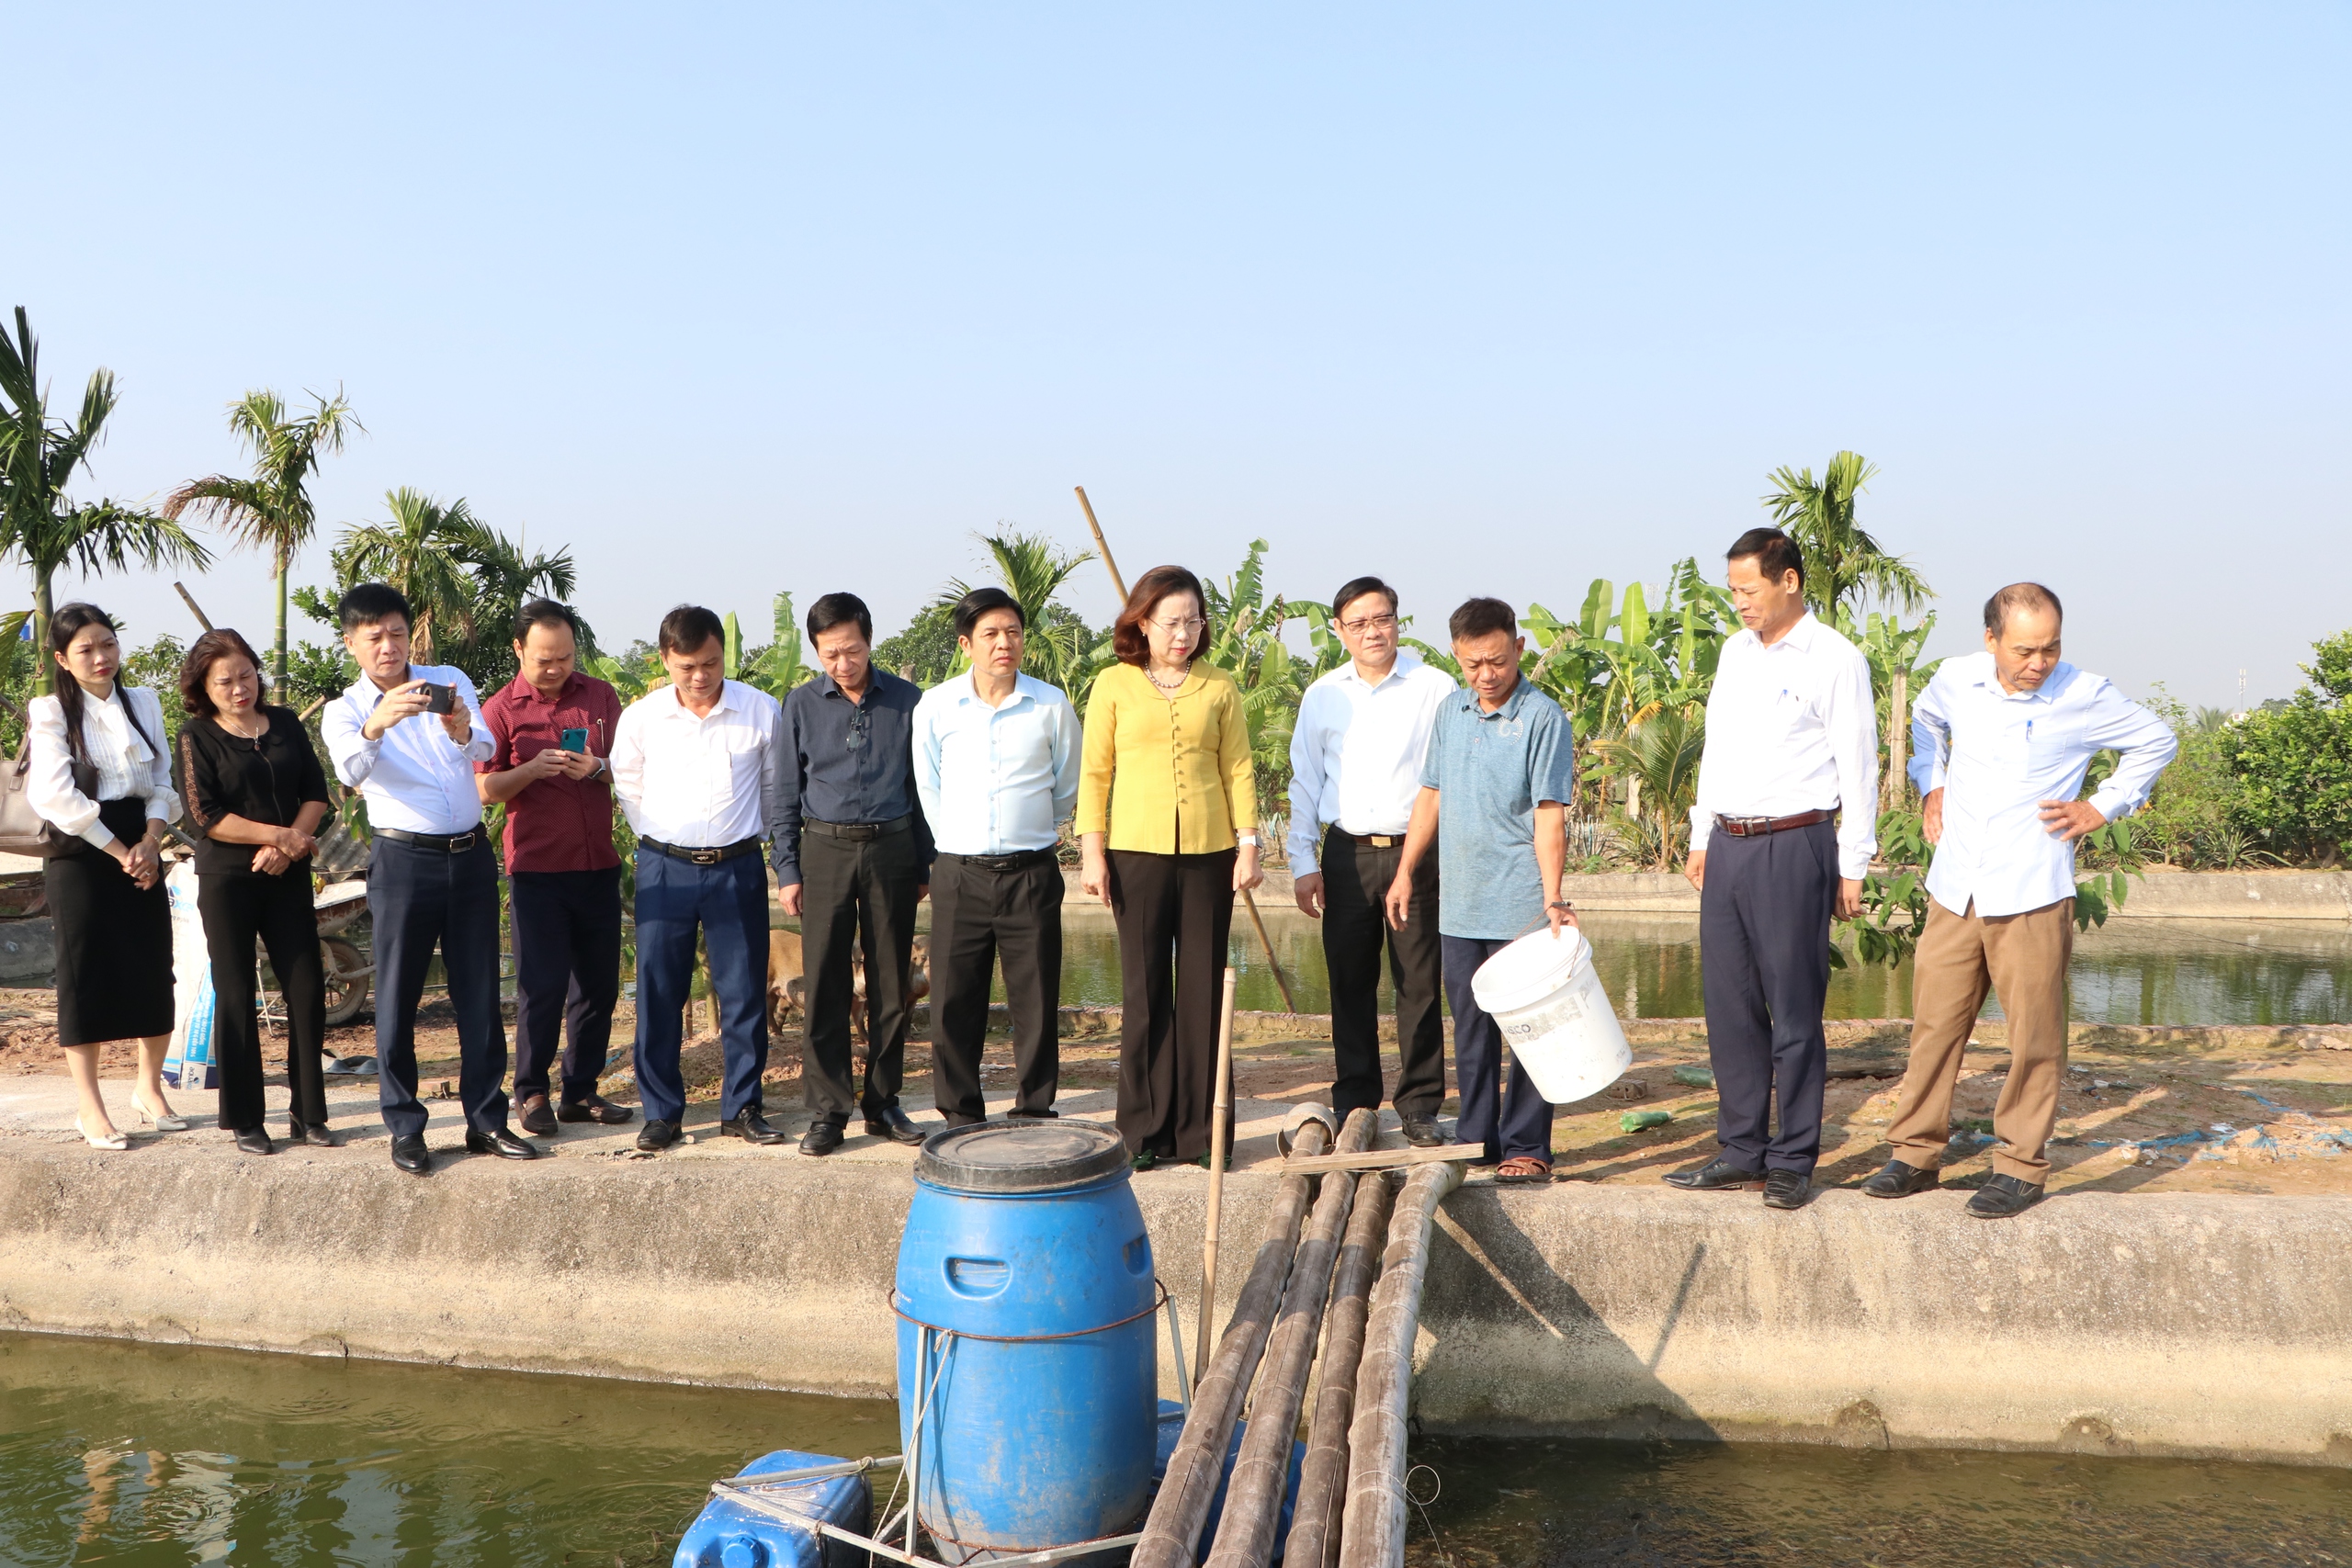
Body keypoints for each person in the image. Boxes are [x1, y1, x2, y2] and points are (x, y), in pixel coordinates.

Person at [1863, 583, 2177, 1218]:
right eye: (2026, 649)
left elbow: (2158, 740)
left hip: (2031, 890)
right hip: (1956, 887)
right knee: (1934, 1025)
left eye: (2051, 647)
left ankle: (2019, 1165)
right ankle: (1914, 1153)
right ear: (1990, 641)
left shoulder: (2084, 694)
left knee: (2034, 1037)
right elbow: (1924, 723)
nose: (2040, 662)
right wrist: (1934, 785)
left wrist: (2101, 805)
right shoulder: (1956, 680)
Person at [1670, 527, 1877, 1211]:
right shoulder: (1734, 653)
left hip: (1795, 845)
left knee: (1792, 1010)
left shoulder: (1835, 659)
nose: (1739, 603)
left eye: (1749, 589)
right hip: (1727, 844)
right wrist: (1702, 834)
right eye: (1733, 590)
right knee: (1728, 1005)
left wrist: (1854, 864)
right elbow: (1717, 749)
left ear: (1788, 581)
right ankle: (1739, 1149)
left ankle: (1793, 1155)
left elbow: (1859, 765)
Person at [322, 582, 534, 1176]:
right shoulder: (346, 710)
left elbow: (486, 747)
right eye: (373, 637)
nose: (388, 646)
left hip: (469, 857)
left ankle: (487, 1120)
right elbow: (349, 769)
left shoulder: (448, 677)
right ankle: (406, 1127)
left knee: (478, 994)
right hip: (404, 862)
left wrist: (460, 727)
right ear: (351, 643)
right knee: (396, 997)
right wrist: (377, 723)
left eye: (396, 632)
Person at [1385, 597, 1576, 1184]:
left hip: (1520, 904)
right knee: (1469, 1026)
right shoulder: (1451, 712)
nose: (1485, 676)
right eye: (1471, 665)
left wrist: (1553, 898)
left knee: (1528, 1030)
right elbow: (1431, 796)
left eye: (1495, 661)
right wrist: (1406, 869)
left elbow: (1550, 817)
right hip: (1459, 903)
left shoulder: (1544, 719)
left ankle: (1526, 1145)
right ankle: (1476, 1139)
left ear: (1518, 649)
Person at [1078, 564, 1261, 1169]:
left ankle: (1203, 1134)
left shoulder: (1220, 687)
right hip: (1136, 854)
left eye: (1193, 621)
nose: (1183, 633)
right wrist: (1092, 850)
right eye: (1171, 621)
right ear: (1143, 621)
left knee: (1206, 993)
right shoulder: (1112, 684)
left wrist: (1250, 842)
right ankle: (1143, 1132)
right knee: (1145, 991)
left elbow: (1238, 768)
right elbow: (1095, 772)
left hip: (1210, 856)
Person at [610, 604, 788, 1151]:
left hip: (737, 867)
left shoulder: (761, 711)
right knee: (660, 992)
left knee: (743, 993)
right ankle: (662, 1113)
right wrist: (662, 840)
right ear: (665, 660)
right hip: (664, 868)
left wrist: (755, 847)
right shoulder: (641, 718)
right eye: (687, 666)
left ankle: (742, 1107)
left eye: (711, 662)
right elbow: (628, 786)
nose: (700, 676)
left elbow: (774, 790)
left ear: (723, 655)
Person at [1288, 576, 1456, 1145]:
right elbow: (1305, 782)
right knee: (1349, 980)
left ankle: (1419, 1105)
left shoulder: (1435, 687)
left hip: (1416, 852)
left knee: (1418, 983)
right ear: (1339, 630)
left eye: (1381, 619)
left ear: (1398, 621)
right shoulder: (1323, 695)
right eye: (1357, 623)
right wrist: (1302, 862)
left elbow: (1446, 779)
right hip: (1346, 855)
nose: (1372, 632)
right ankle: (1357, 1099)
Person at [913, 588, 1082, 1127]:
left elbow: (1066, 786)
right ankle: (960, 1113)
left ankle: (1034, 1107)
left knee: (1035, 996)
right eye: (990, 634)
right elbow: (928, 786)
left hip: (1030, 872)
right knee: (953, 1000)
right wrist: (956, 844)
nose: (1003, 643)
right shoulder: (936, 705)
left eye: (1013, 632)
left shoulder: (1050, 704)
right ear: (967, 644)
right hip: (959, 874)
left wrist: (1026, 828)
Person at [776, 592, 935, 1156]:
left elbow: (923, 790)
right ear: (816, 651)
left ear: (870, 641)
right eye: (830, 654)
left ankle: (883, 1102)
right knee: (825, 983)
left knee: (891, 982)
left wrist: (924, 861)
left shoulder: (910, 701)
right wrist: (788, 868)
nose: (843, 663)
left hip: (893, 850)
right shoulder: (799, 706)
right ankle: (828, 1110)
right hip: (824, 850)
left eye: (852, 650)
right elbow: (784, 793)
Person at [26, 604, 181, 1151]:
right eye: (86, 649)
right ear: (62, 659)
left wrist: (150, 842)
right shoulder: (49, 711)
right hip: (83, 852)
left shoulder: (144, 702)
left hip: (142, 841)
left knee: (153, 965)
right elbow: (55, 796)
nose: (100, 657)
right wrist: (121, 851)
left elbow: (163, 779)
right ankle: (90, 1107)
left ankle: (148, 1088)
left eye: (107, 644)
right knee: (84, 973)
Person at [478, 599, 633, 1136]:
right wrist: (528, 770)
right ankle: (531, 1091)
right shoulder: (499, 710)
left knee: (597, 986)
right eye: (545, 659)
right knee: (541, 987)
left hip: (597, 866)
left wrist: (598, 768)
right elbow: (484, 789)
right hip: (537, 872)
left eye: (565, 657)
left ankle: (581, 1090)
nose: (556, 668)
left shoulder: (599, 696)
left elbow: (631, 770)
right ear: (519, 649)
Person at [177, 626, 334, 1155]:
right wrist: (278, 836)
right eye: (225, 681)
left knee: (307, 989)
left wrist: (289, 847)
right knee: (238, 991)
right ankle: (245, 1117)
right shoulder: (196, 735)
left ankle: (308, 1112)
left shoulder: (285, 722)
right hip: (228, 879)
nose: (240, 688)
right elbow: (207, 816)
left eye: (246, 675)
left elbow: (317, 794)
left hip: (287, 875)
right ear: (204, 687)